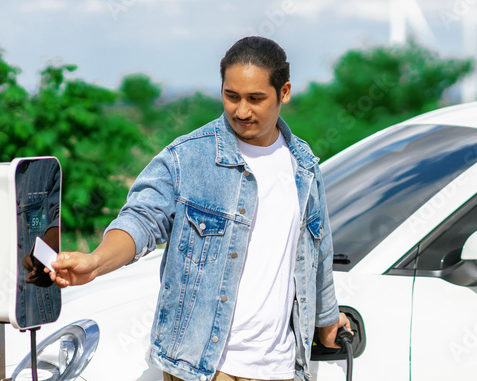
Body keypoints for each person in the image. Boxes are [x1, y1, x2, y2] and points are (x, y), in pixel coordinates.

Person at [49, 36, 349, 381]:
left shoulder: (304, 167)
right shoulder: (187, 157)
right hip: (201, 370)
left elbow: (318, 255)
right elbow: (141, 220)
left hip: (279, 369)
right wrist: (96, 261)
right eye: (231, 96)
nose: (241, 110)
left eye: (256, 99)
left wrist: (327, 322)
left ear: (284, 93)